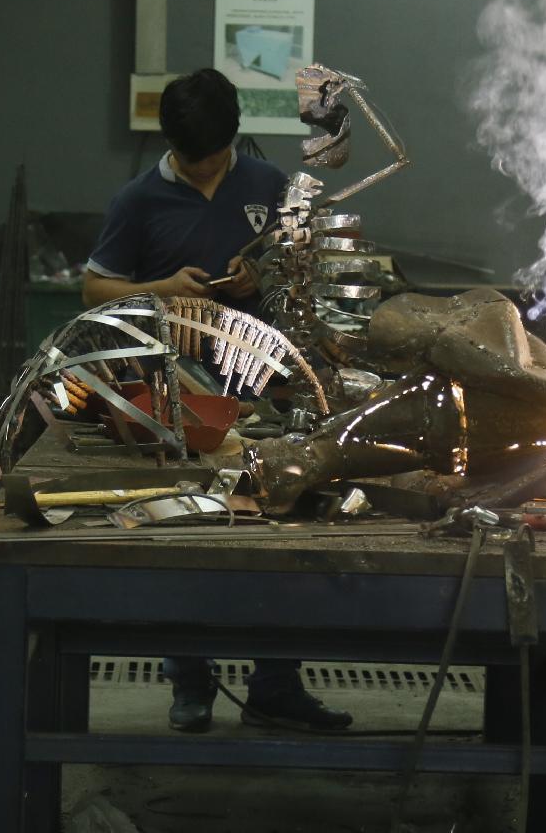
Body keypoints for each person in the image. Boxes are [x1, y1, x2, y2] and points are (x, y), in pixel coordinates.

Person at [82, 68, 352, 735]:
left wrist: (266, 273)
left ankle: (276, 684)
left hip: (264, 388)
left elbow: (304, 269)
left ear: (234, 137)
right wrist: (163, 287)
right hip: (181, 393)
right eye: (191, 159)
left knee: (280, 530)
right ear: (169, 142)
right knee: (188, 533)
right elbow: (94, 288)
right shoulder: (137, 200)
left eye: (215, 158)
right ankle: (190, 678)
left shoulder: (268, 185)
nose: (204, 170)